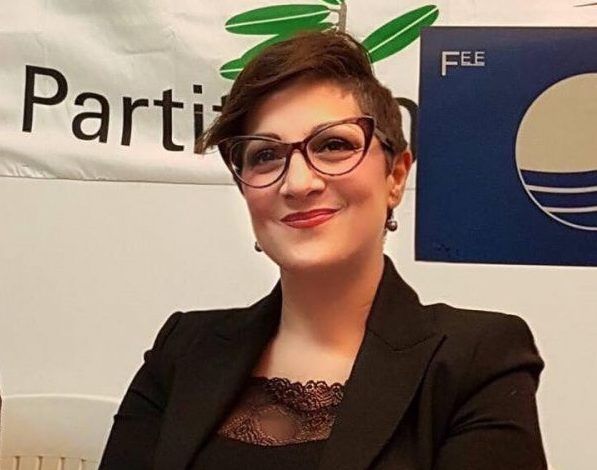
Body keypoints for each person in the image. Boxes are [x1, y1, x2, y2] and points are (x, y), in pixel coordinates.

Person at [99, 30, 547, 469]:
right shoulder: (184, 349)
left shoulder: (477, 359)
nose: (297, 183)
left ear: (395, 177)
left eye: (333, 145)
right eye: (265, 155)